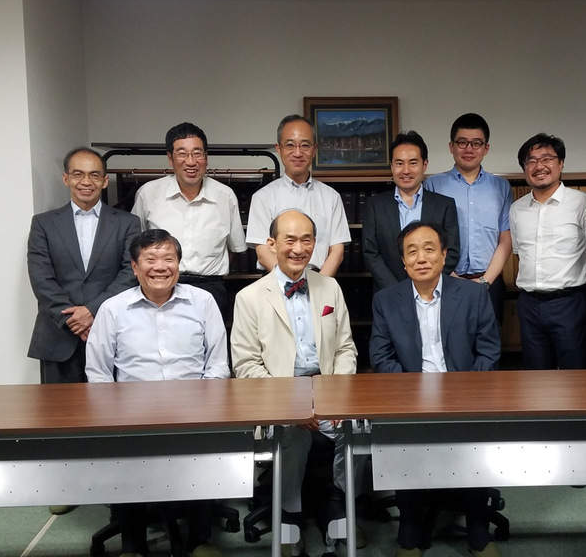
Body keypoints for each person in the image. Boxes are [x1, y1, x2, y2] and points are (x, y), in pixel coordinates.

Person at [86, 229, 229, 557]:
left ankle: (199, 540)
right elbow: (98, 373)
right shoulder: (113, 309)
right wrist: (113, 417)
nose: (160, 267)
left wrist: (205, 409)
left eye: (168, 258)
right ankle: (133, 545)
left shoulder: (202, 302)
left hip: (194, 411)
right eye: (150, 259)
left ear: (179, 264)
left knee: (205, 452)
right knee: (127, 458)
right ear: (135, 267)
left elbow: (218, 365)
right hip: (131, 416)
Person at [231, 209, 364, 553]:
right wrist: (294, 406)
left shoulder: (330, 287)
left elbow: (346, 348)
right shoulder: (249, 298)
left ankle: (340, 504)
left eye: (307, 240)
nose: (299, 248)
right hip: (279, 398)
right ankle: (289, 514)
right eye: (289, 240)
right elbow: (246, 365)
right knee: (293, 436)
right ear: (272, 244)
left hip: (328, 391)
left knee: (358, 431)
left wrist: (334, 397)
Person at [369, 221, 501, 557]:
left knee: (473, 444)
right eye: (412, 251)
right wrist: (413, 392)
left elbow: (489, 351)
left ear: (444, 255)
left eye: (429, 249)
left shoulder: (473, 294)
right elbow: (381, 357)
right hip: (410, 398)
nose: (421, 258)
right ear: (403, 262)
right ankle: (410, 533)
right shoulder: (386, 300)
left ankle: (478, 532)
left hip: (465, 395)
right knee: (402, 442)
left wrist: (464, 391)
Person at [26, 147, 140, 516]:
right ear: (66, 178)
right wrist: (72, 318)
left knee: (113, 415)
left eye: (94, 175)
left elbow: (129, 273)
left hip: (110, 332)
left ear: (105, 181)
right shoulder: (44, 223)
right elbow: (41, 278)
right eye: (78, 174)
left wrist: (92, 312)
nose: (86, 181)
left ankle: (116, 487)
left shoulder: (127, 223)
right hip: (57, 335)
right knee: (61, 419)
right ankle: (65, 486)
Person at [131, 122, 246, 318]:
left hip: (210, 289)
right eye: (182, 154)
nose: (191, 162)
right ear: (170, 158)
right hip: (160, 287)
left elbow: (234, 249)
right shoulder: (148, 194)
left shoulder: (225, 196)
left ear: (206, 157)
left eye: (197, 153)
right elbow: (135, 247)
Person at [509, 133, 586, 370]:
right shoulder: (517, 209)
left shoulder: (582, 203)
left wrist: (576, 287)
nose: (539, 166)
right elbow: (520, 254)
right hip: (529, 304)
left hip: (570, 303)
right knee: (536, 376)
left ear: (560, 163)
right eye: (531, 161)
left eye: (547, 159)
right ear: (524, 168)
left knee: (575, 374)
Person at [423, 113, 513, 323]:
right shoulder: (433, 185)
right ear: (451, 146)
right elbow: (429, 238)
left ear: (486, 148)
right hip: (444, 280)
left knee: (489, 340)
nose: (469, 149)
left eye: (476, 143)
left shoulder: (501, 187)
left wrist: (485, 281)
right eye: (462, 142)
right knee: (447, 340)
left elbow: (505, 238)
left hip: (489, 282)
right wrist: (451, 276)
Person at [245, 115, 351, 276]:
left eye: (305, 145)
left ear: (314, 149)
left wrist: (318, 284)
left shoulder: (331, 197)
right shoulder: (263, 197)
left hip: (320, 279)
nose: (297, 153)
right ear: (278, 148)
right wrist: (290, 283)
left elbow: (337, 252)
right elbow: (263, 252)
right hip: (275, 280)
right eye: (290, 145)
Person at [363, 130, 460, 290]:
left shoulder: (444, 205)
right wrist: (398, 290)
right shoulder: (375, 205)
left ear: (424, 165)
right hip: (388, 292)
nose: (406, 170)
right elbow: (370, 253)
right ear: (391, 166)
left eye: (413, 163)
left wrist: (426, 283)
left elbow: (452, 252)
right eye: (399, 163)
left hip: (433, 292)